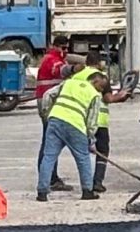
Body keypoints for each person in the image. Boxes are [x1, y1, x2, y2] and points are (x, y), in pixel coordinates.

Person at [37, 63, 108, 202]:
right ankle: (87, 190)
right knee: (83, 158)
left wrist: (46, 114)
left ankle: (42, 192)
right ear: (95, 81)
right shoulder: (94, 95)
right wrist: (90, 139)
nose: (102, 90)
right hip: (75, 125)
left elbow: (47, 95)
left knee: (48, 157)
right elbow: (92, 121)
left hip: (55, 120)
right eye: (101, 86)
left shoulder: (68, 83)